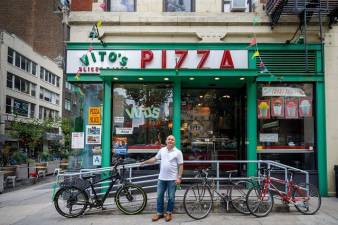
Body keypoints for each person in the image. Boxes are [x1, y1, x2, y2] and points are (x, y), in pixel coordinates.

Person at [141, 135, 184, 222]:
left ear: (174, 142)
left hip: (172, 179)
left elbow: (181, 165)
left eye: (172, 139)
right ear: (166, 141)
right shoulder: (162, 150)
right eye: (169, 139)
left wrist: (179, 177)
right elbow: (155, 159)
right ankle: (159, 213)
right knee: (159, 196)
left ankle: (169, 213)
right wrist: (144, 162)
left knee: (171, 197)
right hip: (162, 178)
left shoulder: (178, 152)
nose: (170, 140)